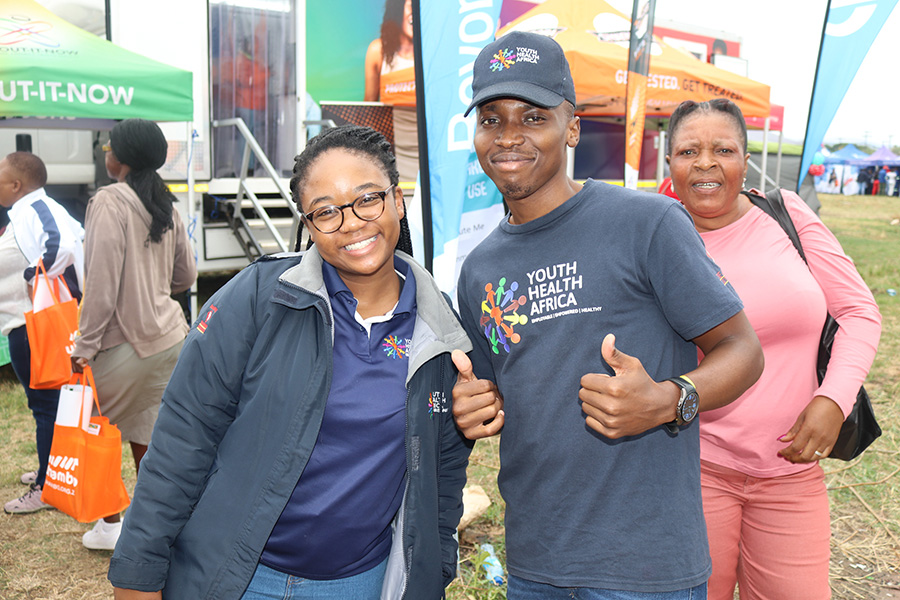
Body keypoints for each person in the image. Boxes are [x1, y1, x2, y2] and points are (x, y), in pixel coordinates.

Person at [452, 31, 764, 599]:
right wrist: (476, 405)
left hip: (645, 569)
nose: (510, 136)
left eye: (533, 117)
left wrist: (669, 399)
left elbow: (743, 350)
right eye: (491, 120)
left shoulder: (647, 223)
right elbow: (497, 391)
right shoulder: (479, 269)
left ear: (572, 128)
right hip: (535, 564)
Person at [107, 125, 472, 599]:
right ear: (308, 224)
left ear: (397, 201)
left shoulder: (438, 329)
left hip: (358, 584)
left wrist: (433, 571)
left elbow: (442, 472)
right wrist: (137, 572)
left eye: (368, 199)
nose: (351, 223)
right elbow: (182, 438)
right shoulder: (261, 298)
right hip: (235, 577)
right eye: (326, 211)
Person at [665, 98, 882, 600]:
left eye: (723, 150)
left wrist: (834, 399)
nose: (705, 163)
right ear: (670, 162)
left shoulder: (785, 215)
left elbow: (858, 312)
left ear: (746, 160)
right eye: (688, 151)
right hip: (691, 473)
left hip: (791, 474)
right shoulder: (656, 237)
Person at [71, 119, 197, 550]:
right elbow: (186, 276)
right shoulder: (166, 204)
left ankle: (110, 526)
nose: (105, 153)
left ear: (121, 158)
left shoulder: (110, 200)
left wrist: (84, 345)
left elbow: (101, 286)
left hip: (123, 343)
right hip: (169, 337)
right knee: (149, 432)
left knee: (95, 429)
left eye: (109, 148)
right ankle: (157, 527)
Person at [0, 151, 84, 515]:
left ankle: (46, 487)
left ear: (16, 185)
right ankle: (48, 470)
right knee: (45, 404)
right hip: (30, 321)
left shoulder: (36, 207)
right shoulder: (27, 210)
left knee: (45, 405)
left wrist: (33, 277)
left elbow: (60, 245)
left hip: (36, 322)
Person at [364, 0, 419, 182]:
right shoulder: (378, 51)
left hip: (427, 151)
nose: (416, 11)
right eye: (410, 5)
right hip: (392, 154)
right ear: (397, 8)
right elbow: (368, 109)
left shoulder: (431, 52)